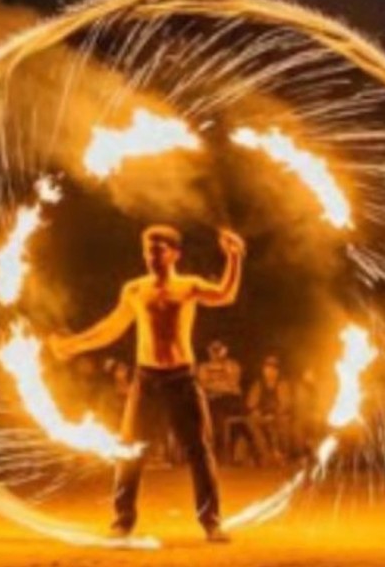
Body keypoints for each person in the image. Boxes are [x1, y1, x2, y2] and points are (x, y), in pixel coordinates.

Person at [48, 224, 245, 542]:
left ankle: (211, 522)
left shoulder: (189, 286)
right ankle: (122, 520)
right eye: (147, 250)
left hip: (182, 379)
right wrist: (74, 344)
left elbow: (225, 294)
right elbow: (111, 327)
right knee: (129, 451)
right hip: (147, 380)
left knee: (199, 450)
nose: (151, 256)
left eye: (158, 250)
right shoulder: (135, 290)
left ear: (174, 254)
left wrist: (234, 258)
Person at [197, 340, 244, 459]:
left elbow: (233, 384)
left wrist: (214, 386)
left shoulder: (233, 365)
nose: (216, 353)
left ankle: (220, 449)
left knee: (219, 410)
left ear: (225, 350)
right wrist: (220, 385)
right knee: (208, 409)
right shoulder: (203, 367)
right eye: (213, 350)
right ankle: (212, 448)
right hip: (210, 400)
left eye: (219, 349)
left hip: (229, 400)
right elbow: (202, 384)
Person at [245, 354, 293, 466]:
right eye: (267, 367)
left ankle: (283, 454)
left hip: (279, 415)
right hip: (262, 415)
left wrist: (274, 414)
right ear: (263, 370)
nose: (270, 371)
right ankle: (265, 454)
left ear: (278, 371)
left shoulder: (282, 384)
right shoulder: (258, 385)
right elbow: (250, 403)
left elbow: (286, 404)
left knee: (284, 422)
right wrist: (256, 411)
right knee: (251, 421)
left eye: (274, 368)